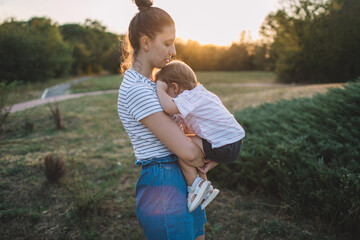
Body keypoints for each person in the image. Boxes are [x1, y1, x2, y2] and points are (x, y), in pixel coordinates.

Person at [117, 1, 207, 239]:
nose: (174, 51)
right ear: (146, 43)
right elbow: (189, 153)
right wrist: (210, 151)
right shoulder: (136, 89)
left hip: (178, 175)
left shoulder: (152, 85)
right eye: (167, 43)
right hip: (163, 181)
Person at [155, 60, 245, 212]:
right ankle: (206, 189)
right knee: (189, 140)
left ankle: (195, 188)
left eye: (168, 92)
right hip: (234, 142)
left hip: (223, 145)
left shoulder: (187, 97)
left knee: (182, 148)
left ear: (175, 87)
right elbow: (190, 127)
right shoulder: (203, 94)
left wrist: (159, 89)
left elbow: (168, 107)